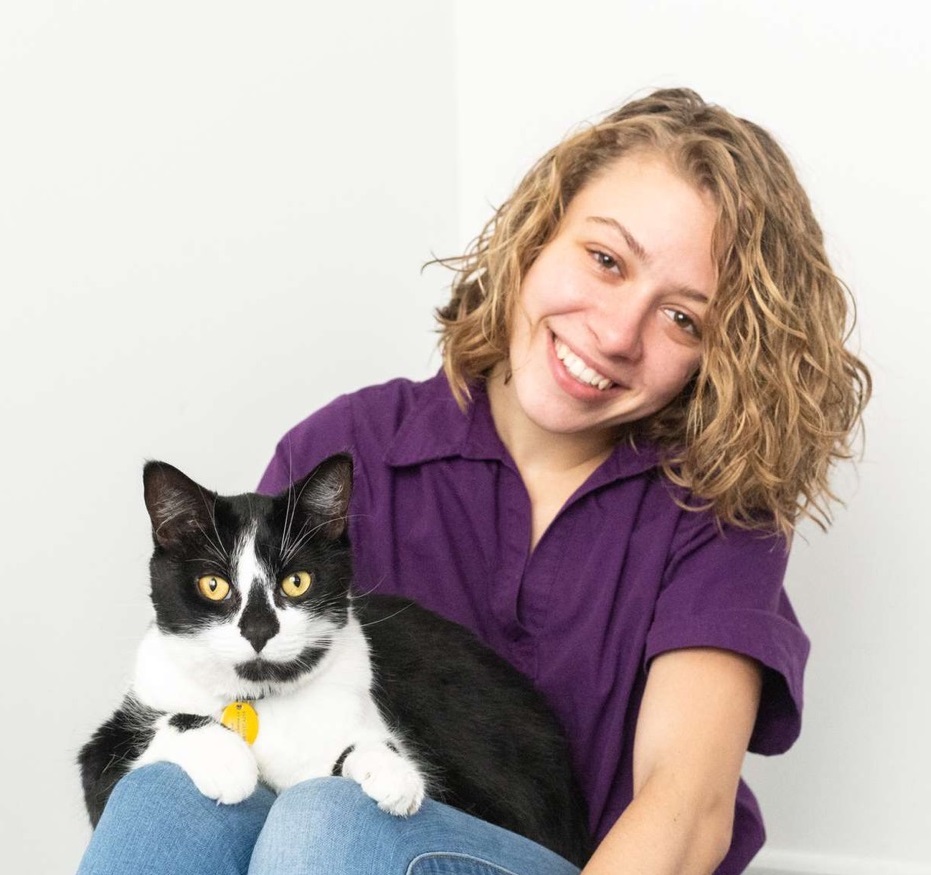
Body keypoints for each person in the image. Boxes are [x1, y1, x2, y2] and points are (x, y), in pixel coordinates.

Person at [76, 88, 870, 875]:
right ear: (537, 234)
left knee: (328, 825)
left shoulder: (717, 510)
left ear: (718, 353)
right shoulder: (349, 447)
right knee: (165, 796)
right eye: (603, 259)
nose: (616, 332)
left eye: (682, 318)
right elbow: (244, 712)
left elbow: (686, 813)